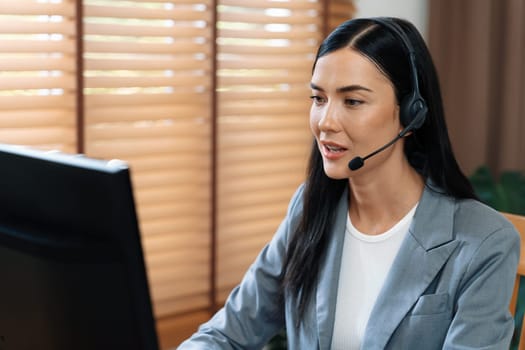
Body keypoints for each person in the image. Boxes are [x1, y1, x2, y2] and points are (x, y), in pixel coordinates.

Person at [178, 17, 520, 349]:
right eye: (318, 99)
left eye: (352, 101)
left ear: (411, 113)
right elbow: (226, 334)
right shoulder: (309, 209)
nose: (326, 122)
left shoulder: (483, 241)